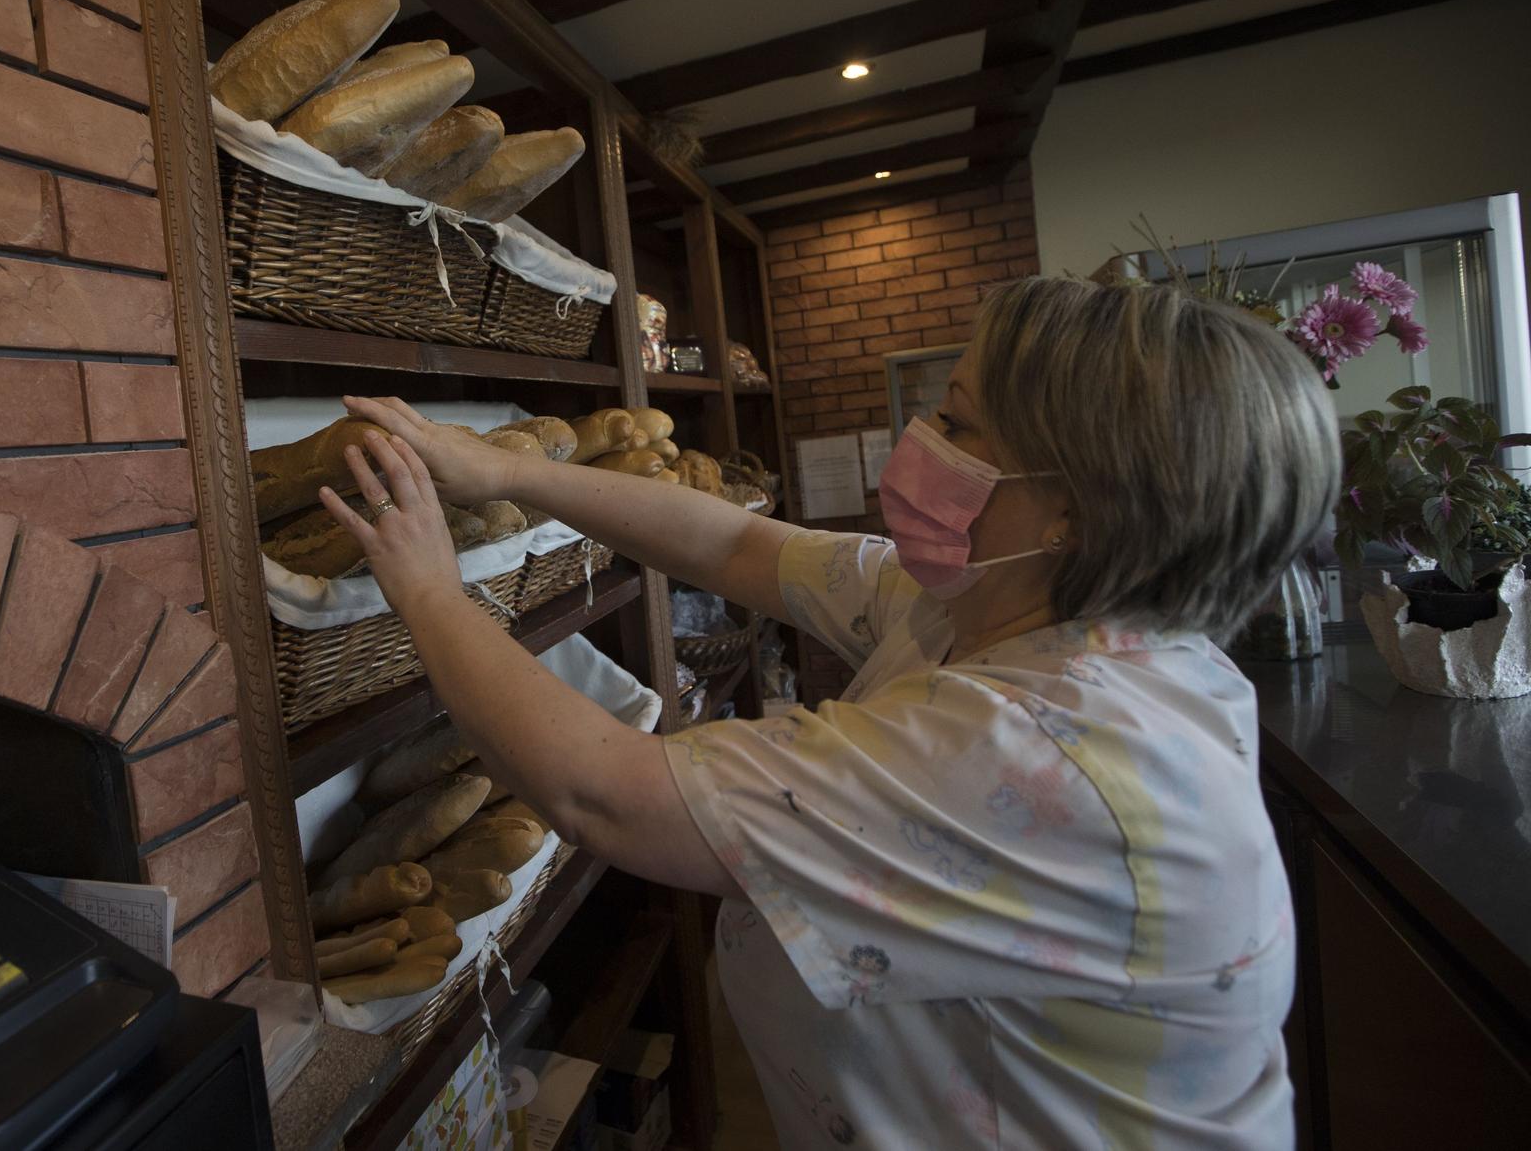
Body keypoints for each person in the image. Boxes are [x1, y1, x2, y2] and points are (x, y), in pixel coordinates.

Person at [317, 275, 1337, 1149]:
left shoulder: (1049, 752)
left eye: (957, 424)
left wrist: (426, 590)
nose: (918, 441)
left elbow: (603, 793)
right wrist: (506, 471)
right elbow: (733, 548)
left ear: (1074, 508)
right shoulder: (989, 608)